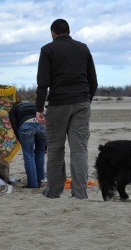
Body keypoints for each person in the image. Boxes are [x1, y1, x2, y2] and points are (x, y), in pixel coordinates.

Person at [36, 19, 98, 199]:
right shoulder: (83, 48)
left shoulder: (48, 50)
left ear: (53, 33)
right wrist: (86, 100)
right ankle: (80, 193)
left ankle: (54, 191)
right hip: (81, 102)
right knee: (79, 150)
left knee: (55, 149)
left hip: (58, 103)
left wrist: (39, 108)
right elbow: (93, 81)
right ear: (68, 31)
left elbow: (43, 83)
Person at [9, 101, 46, 188]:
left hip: (26, 125)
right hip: (42, 126)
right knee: (40, 152)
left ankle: (33, 183)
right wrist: (46, 146)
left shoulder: (13, 110)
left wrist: (22, 141)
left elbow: (15, 127)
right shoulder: (34, 104)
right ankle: (39, 181)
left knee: (29, 155)